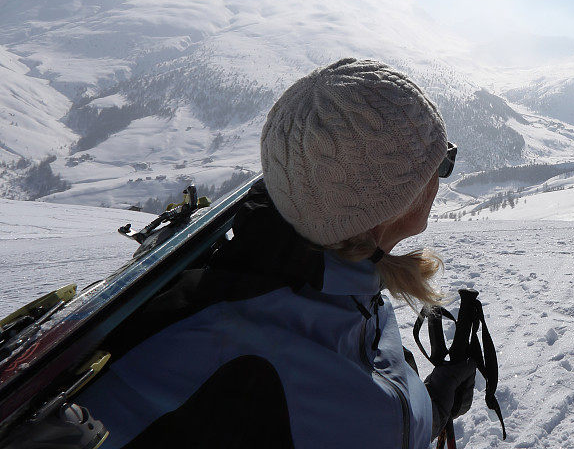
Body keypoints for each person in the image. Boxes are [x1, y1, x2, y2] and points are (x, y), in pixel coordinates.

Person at [79, 57, 477, 448]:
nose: (441, 177)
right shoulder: (252, 367)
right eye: (442, 162)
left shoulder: (336, 283)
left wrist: (433, 403)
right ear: (394, 204)